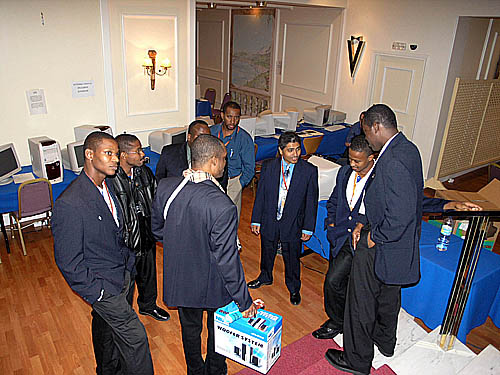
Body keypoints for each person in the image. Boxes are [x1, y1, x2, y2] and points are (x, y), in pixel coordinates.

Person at [325, 104, 482, 375]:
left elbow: (397, 216)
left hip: (382, 240)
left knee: (359, 301)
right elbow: (411, 198)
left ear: (375, 127)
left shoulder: (391, 160)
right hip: (398, 248)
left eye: (366, 130)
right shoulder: (408, 149)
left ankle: (357, 360)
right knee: (388, 296)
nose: (366, 138)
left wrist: (374, 235)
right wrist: (445, 205)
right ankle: (385, 343)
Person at [151, 134, 257, 375]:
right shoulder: (223, 205)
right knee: (216, 329)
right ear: (211, 162)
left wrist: (184, 246)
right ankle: (216, 369)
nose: (224, 163)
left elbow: (157, 230)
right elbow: (227, 260)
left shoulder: (166, 187)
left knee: (190, 330)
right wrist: (244, 300)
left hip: (181, 278)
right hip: (212, 284)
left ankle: (195, 370)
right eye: (222, 159)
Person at [52, 131, 153, 375]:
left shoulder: (107, 187)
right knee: (136, 337)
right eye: (108, 154)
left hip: (122, 275)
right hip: (102, 285)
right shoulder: (70, 203)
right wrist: (97, 292)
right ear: (89, 155)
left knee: (107, 330)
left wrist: (128, 265)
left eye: (116, 155)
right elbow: (68, 262)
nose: (115, 160)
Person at [312, 135, 375, 340]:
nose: (352, 164)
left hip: (360, 241)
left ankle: (338, 322)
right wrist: (330, 221)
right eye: (350, 159)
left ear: (371, 158)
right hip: (338, 236)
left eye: (358, 161)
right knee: (338, 281)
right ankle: (343, 318)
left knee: (333, 281)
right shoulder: (345, 172)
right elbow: (334, 199)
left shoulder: (379, 179)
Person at [247, 131, 319, 305]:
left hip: (293, 222)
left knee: (292, 258)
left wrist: (308, 228)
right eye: (290, 150)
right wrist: (256, 219)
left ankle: (294, 287)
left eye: (297, 149)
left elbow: (311, 202)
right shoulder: (268, 166)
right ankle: (265, 276)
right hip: (270, 219)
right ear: (281, 151)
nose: (295, 154)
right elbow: (261, 195)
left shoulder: (309, 171)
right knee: (267, 250)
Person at [110, 134, 170, 321]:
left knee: (148, 275)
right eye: (137, 151)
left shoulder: (144, 172)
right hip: (125, 241)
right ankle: (125, 315)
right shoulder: (110, 179)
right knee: (125, 282)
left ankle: (148, 306)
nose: (142, 154)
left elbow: (156, 197)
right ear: (123, 155)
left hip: (146, 234)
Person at [210, 101, 255, 218]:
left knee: (229, 217)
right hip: (212, 180)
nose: (233, 121)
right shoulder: (212, 132)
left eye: (236, 117)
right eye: (229, 117)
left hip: (232, 182)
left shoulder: (244, 139)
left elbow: (249, 167)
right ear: (222, 115)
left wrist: (239, 184)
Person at [156, 120, 229, 191]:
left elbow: (221, 184)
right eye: (199, 136)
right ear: (189, 137)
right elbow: (160, 180)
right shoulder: (169, 152)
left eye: (207, 136)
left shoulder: (218, 157)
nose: (203, 140)